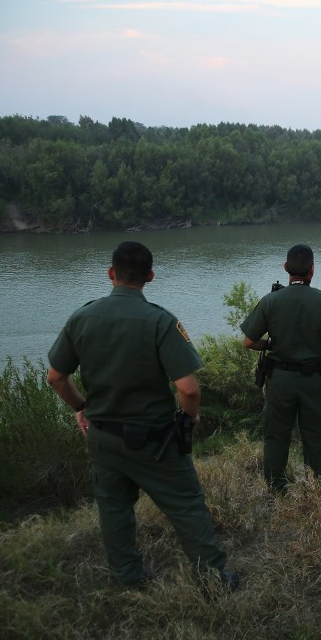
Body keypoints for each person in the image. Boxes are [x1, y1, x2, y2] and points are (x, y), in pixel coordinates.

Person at [46, 241, 238, 590]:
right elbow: (189, 389)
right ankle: (212, 579)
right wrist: (189, 417)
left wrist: (81, 407)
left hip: (102, 435)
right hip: (154, 439)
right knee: (186, 505)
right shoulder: (161, 322)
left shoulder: (82, 318)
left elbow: (56, 378)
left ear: (111, 273)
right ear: (150, 276)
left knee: (114, 508)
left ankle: (128, 577)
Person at [240, 244, 321, 493]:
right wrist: (319, 345)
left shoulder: (270, 301)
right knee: (315, 435)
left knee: (276, 435)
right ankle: (315, 490)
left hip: (280, 379)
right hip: (314, 379)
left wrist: (271, 343)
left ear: (286, 268)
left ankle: (277, 491)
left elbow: (249, 341)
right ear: (313, 270)